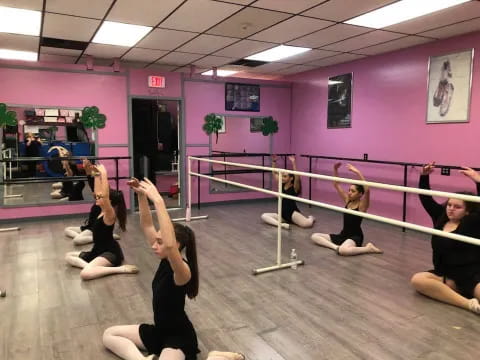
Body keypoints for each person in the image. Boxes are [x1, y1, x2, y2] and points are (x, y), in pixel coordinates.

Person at [103, 178, 244, 360]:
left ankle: (215, 357)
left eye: (159, 241)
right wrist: (141, 196)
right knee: (109, 334)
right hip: (159, 331)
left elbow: (168, 245)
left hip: (179, 338)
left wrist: (160, 201)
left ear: (177, 245)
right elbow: (146, 225)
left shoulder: (182, 271)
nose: (155, 244)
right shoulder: (164, 257)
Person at [411, 162, 480, 314]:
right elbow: (426, 200)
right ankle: (468, 304)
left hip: (471, 275)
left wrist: (478, 181)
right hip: (446, 275)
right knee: (418, 280)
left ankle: (463, 293)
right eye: (449, 205)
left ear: (468, 211)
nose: (451, 209)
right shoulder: (440, 218)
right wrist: (424, 176)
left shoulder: (472, 222)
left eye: (457, 207)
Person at [64, 164, 137, 280]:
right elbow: (98, 191)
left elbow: (104, 194)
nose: (97, 197)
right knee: (68, 256)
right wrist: (96, 175)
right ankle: (90, 267)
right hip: (97, 250)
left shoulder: (109, 214)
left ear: (109, 202)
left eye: (101, 197)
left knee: (85, 274)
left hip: (110, 252)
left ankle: (120, 269)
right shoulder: (102, 210)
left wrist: (104, 174)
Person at [311, 163, 382, 255]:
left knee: (344, 251)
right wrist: (335, 169)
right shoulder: (348, 200)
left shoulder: (362, 206)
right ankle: (336, 247)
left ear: (360, 194)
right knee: (314, 236)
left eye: (353, 191)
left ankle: (368, 248)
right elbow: (336, 184)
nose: (349, 193)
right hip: (343, 235)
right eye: (349, 190)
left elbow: (367, 190)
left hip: (355, 237)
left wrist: (357, 172)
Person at [64, 159, 120, 245]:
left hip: (93, 229)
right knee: (67, 230)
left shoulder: (104, 205)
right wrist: (88, 168)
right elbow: (91, 180)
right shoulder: (99, 199)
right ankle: (99, 237)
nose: (95, 193)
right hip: (88, 227)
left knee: (76, 241)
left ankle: (104, 237)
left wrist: (101, 174)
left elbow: (99, 185)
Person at [261, 155, 315, 229]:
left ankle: (311, 218)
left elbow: (297, 177)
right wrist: (274, 161)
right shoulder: (281, 184)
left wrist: (293, 162)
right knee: (264, 216)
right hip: (282, 214)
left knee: (307, 224)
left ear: (291, 178)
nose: (282, 178)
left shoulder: (294, 187)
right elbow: (274, 173)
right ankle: (282, 225)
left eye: (285, 176)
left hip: (292, 213)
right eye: (282, 176)